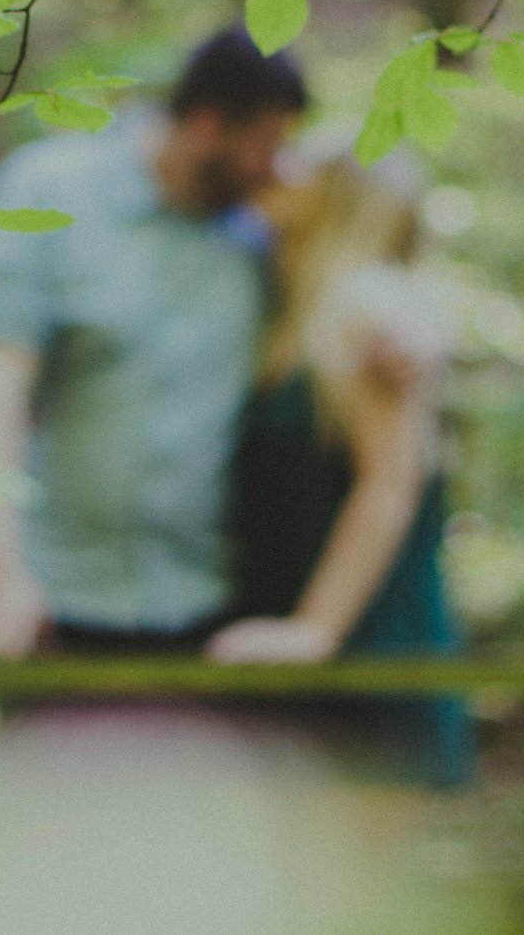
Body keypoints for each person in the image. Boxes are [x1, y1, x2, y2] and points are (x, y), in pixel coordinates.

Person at [0, 29, 307, 659]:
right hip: (51, 604)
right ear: (207, 122)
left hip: (205, 612)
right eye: (267, 145)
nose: (278, 167)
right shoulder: (51, 192)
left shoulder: (265, 234)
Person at [205, 145, 474, 788]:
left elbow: (391, 482)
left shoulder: (366, 303)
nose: (276, 165)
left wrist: (314, 631)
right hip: (300, 651)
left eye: (304, 163)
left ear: (339, 197)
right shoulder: (286, 303)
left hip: (366, 648)